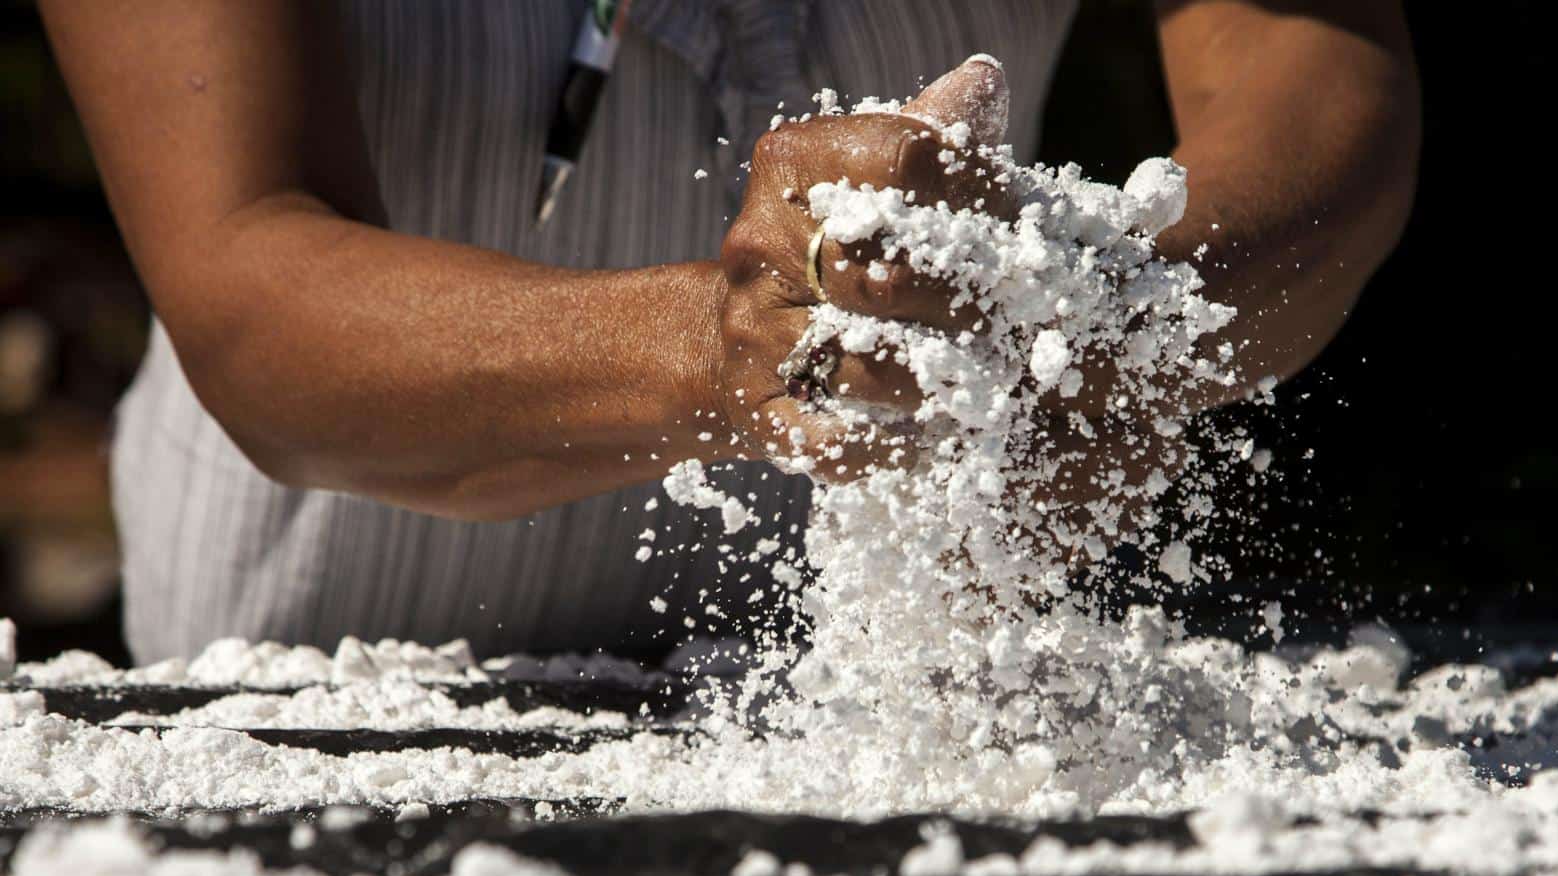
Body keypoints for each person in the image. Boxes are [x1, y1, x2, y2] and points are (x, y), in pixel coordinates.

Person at [38, 0, 1419, 664]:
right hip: (312, 708)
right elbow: (246, 290)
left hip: (911, 702)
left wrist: (1101, 303)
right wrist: (726, 348)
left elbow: (1313, 73)